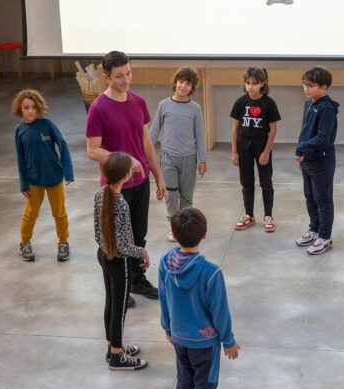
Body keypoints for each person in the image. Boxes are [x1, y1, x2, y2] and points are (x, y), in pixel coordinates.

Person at [159, 207, 240, 389]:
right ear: (204, 235)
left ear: (174, 234)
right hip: (205, 342)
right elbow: (220, 311)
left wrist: (167, 327)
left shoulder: (165, 263)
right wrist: (228, 341)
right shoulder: (211, 272)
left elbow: (163, 298)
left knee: (185, 382)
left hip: (179, 337)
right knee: (206, 385)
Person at [86, 50, 166, 301]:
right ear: (106, 77)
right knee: (116, 239)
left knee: (138, 234)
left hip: (140, 182)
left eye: (128, 73)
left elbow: (146, 143)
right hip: (116, 186)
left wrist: (158, 175)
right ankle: (120, 285)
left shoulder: (138, 102)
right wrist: (124, 160)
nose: (126, 80)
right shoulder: (98, 108)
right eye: (119, 76)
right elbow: (92, 150)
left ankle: (136, 280)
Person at [95, 152, 151, 370]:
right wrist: (141, 252)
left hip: (104, 255)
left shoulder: (100, 194)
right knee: (119, 310)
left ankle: (113, 348)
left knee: (111, 302)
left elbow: (98, 233)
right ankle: (117, 357)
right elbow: (125, 245)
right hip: (119, 263)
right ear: (126, 175)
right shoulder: (121, 204)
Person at [12, 89, 74, 262]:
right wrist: (23, 184)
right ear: (20, 109)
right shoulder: (20, 131)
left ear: (39, 108)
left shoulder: (47, 125)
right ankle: (24, 243)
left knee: (59, 213)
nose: (30, 111)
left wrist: (68, 172)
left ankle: (63, 242)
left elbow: (62, 145)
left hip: (54, 177)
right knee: (30, 213)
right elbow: (20, 159)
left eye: (33, 107)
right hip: (33, 180)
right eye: (26, 107)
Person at [150, 67, 207, 243]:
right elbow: (154, 132)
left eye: (188, 83)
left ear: (192, 87)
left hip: (189, 158)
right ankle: (174, 226)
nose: (183, 86)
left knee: (186, 195)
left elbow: (200, 135)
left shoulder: (195, 109)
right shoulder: (164, 105)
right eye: (181, 81)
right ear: (175, 83)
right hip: (168, 158)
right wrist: (146, 153)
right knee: (171, 194)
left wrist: (202, 160)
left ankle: (185, 226)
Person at [294, 66, 340, 255]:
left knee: (323, 199)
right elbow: (305, 131)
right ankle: (314, 229)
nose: (306, 88)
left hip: (322, 161)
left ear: (323, 87)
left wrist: (301, 148)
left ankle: (325, 236)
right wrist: (302, 154)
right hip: (308, 159)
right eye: (304, 84)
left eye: (311, 85)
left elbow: (323, 138)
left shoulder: (327, 108)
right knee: (310, 196)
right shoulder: (309, 104)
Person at [230, 66, 281, 232]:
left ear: (262, 84)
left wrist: (266, 152)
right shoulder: (241, 102)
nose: (250, 87)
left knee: (266, 181)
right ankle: (249, 215)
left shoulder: (269, 103)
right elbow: (235, 128)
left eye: (254, 83)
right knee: (246, 182)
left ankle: (268, 215)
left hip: (261, 146)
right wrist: (234, 151)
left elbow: (273, 130)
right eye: (247, 83)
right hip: (243, 145)